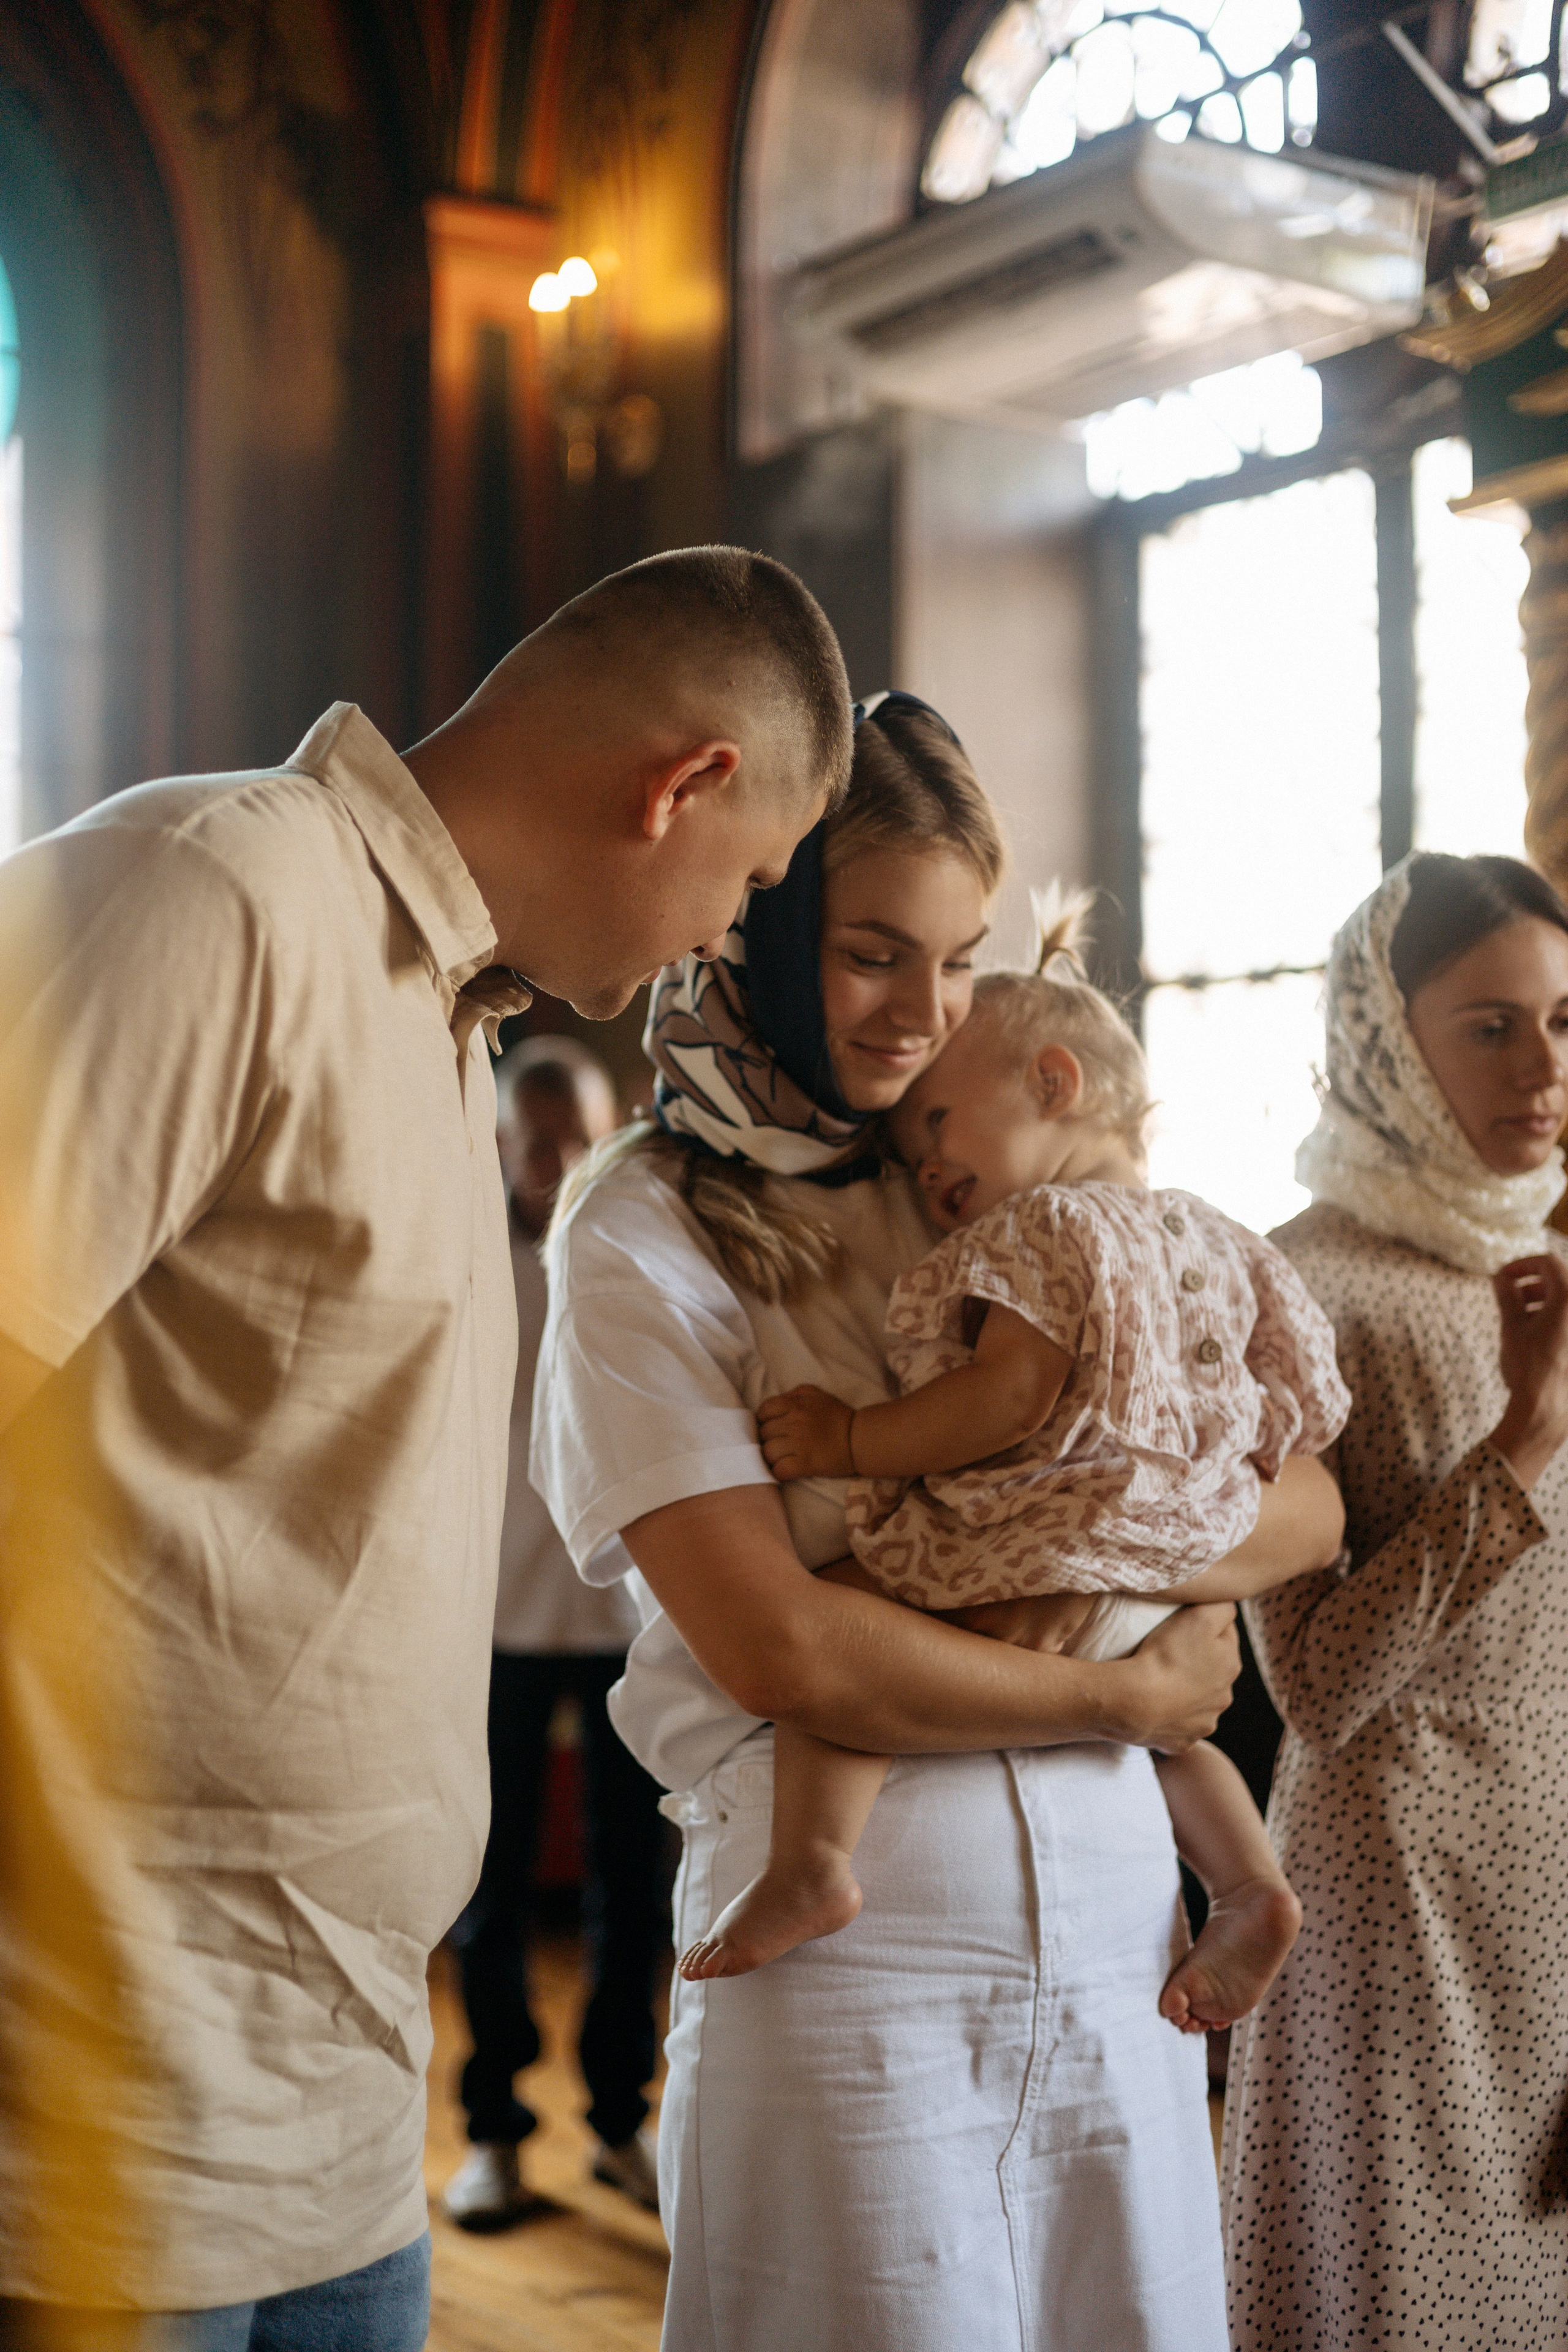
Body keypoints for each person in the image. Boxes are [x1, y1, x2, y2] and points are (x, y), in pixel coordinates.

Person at [0, 546, 849, 2347]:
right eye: (750, 878)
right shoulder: (211, 891)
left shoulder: (452, 1020)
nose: (723, 937)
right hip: (96, 2116)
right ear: (682, 782)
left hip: (347, 2104)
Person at [532, 692, 1344, 2352]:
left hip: (1130, 1933)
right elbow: (784, 1641)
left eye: (962, 958)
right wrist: (1129, 1682)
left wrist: (1105, 1541)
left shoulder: (999, 1162)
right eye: (873, 953)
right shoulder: (644, 1223)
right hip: (854, 1953)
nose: (925, 1016)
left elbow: (1312, 1505)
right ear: (756, 923)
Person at [681, 915, 1349, 2040]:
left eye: (938, 1119)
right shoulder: (1217, 1233)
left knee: (844, 1621)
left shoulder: (1040, 1228)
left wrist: (852, 1439)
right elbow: (1300, 1397)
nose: (927, 1160)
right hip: (1174, 1555)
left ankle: (811, 1861)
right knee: (1167, 1731)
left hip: (1041, 1535)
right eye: (909, 1149)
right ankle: (1247, 1885)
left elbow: (1005, 1398)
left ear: (1053, 1080)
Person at [1221, 851, 1568, 2352]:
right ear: (1382, 1034)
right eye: (1488, 1026)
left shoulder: (1542, 1260)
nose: (1542, 1066)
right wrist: (1517, 1447)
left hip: (1545, 1904)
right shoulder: (1300, 1288)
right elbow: (1311, 1687)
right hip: (1394, 1907)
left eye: (1563, 1020)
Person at [443, 1036, 667, 2230]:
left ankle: (623, 2120)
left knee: (632, 1892)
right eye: (538, 1145)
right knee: (487, 1889)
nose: (560, 1161)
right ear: (503, 1148)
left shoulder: (640, 1259)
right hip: (493, 1626)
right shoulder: (469, 1262)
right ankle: (493, 2131)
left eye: (578, 1139)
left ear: (610, 1129)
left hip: (630, 1621)